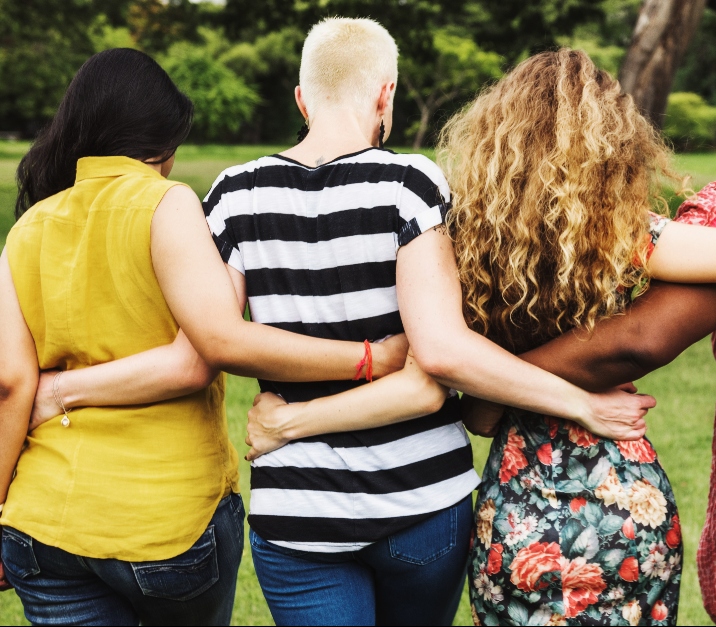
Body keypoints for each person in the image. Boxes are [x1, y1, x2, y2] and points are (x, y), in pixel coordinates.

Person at [244, 47, 716, 625]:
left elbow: (467, 398)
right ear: (611, 139)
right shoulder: (620, 230)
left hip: (516, 503)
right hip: (621, 495)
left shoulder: (461, 235)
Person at [27, 25, 659, 627]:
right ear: (385, 94)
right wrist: (584, 405)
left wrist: (59, 390)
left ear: (302, 98)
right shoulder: (410, 183)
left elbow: (207, 341)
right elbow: (442, 351)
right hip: (421, 504)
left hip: (297, 511)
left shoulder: (234, 194)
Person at [0, 48, 418, 626]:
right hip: (165, 522)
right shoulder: (164, 203)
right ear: (163, 144)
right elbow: (209, 349)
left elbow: (8, 384)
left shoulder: (27, 227)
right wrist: (370, 357)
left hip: (42, 526)